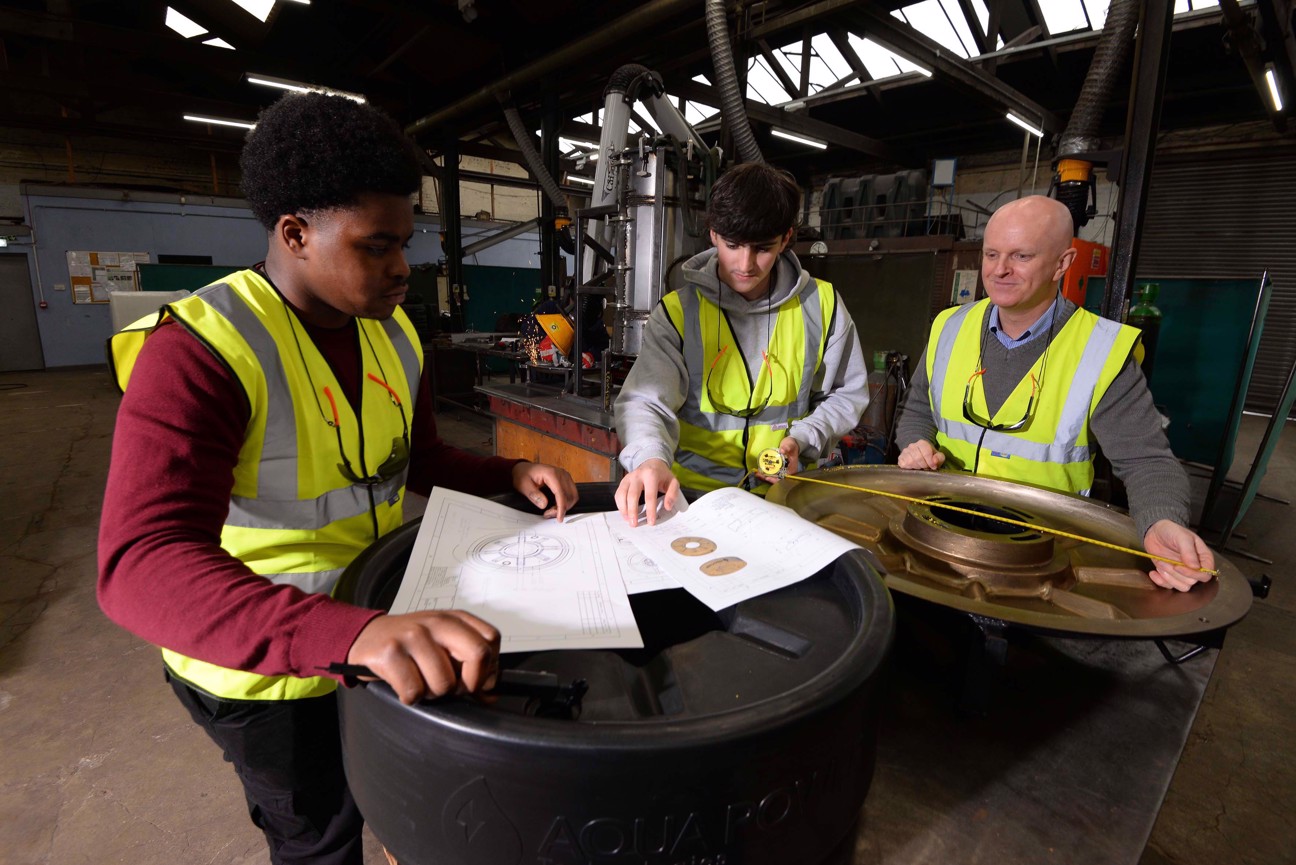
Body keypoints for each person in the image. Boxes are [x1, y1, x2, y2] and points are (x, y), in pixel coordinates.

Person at [97, 92, 577, 865]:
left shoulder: (394, 333)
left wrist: (509, 469)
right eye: (376, 246)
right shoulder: (202, 351)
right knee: (318, 837)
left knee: (385, 800)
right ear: (294, 233)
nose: (402, 268)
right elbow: (138, 563)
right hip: (262, 681)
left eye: (405, 241)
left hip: (370, 641)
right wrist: (348, 633)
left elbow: (413, 460)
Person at [893, 194, 1213, 592]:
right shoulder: (950, 325)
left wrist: (1162, 520)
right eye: (991, 255)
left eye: (1021, 256)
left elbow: (1147, 460)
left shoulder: (1100, 351)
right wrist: (914, 443)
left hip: (1041, 557)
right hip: (941, 532)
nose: (1000, 270)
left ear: (1063, 263)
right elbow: (918, 409)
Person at [613, 162, 868, 525]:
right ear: (714, 234)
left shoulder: (822, 307)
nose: (745, 264)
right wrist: (651, 458)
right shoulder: (677, 314)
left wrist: (805, 439)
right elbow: (645, 401)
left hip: (786, 498)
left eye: (762, 248)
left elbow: (846, 393)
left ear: (786, 238)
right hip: (692, 502)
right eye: (733, 245)